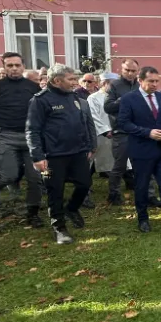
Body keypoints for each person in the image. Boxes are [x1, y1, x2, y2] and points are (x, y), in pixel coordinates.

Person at [25, 64, 96, 244]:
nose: (75, 82)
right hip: (51, 158)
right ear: (57, 81)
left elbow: (82, 123)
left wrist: (88, 146)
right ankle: (59, 228)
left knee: (84, 183)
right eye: (71, 79)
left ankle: (71, 208)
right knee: (54, 190)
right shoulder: (40, 100)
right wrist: (38, 156)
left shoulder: (73, 97)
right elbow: (32, 130)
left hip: (77, 153)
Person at [0, 52, 43, 226]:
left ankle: (33, 212)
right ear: (4, 67)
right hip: (5, 136)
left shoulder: (33, 87)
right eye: (9, 65)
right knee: (9, 175)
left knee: (35, 178)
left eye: (17, 65)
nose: (14, 69)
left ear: (23, 66)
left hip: (30, 137)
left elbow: (42, 114)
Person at [117, 66, 161, 233]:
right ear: (140, 81)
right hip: (141, 151)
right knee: (141, 185)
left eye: (157, 81)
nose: (155, 84)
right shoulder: (128, 99)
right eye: (151, 81)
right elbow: (124, 123)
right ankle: (143, 219)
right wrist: (147, 133)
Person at [104, 59, 141, 205]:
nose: (130, 73)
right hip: (122, 131)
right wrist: (123, 100)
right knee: (119, 165)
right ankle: (114, 195)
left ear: (138, 71)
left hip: (139, 131)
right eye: (127, 70)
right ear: (121, 69)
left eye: (133, 71)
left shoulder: (140, 86)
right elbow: (107, 107)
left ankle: (146, 194)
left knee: (141, 164)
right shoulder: (114, 85)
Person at [88, 72, 117, 176]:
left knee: (121, 160)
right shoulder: (93, 98)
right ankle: (85, 184)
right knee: (92, 159)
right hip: (100, 134)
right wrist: (105, 130)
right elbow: (93, 116)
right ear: (105, 83)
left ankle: (130, 184)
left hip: (116, 132)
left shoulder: (117, 97)